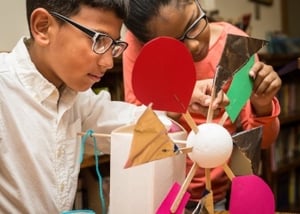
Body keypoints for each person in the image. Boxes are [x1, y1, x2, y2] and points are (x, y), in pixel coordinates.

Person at [122, 0, 282, 212]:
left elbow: (261, 141)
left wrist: (262, 106)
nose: (194, 45)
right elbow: (135, 132)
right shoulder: (138, 48)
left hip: (214, 196)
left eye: (194, 24)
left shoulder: (236, 46)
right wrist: (175, 107)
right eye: (174, 44)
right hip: (158, 195)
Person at [0, 0, 149, 212]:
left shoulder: (76, 96)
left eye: (113, 45)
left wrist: (181, 103)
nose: (108, 62)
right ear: (43, 27)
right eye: (98, 40)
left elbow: (127, 122)